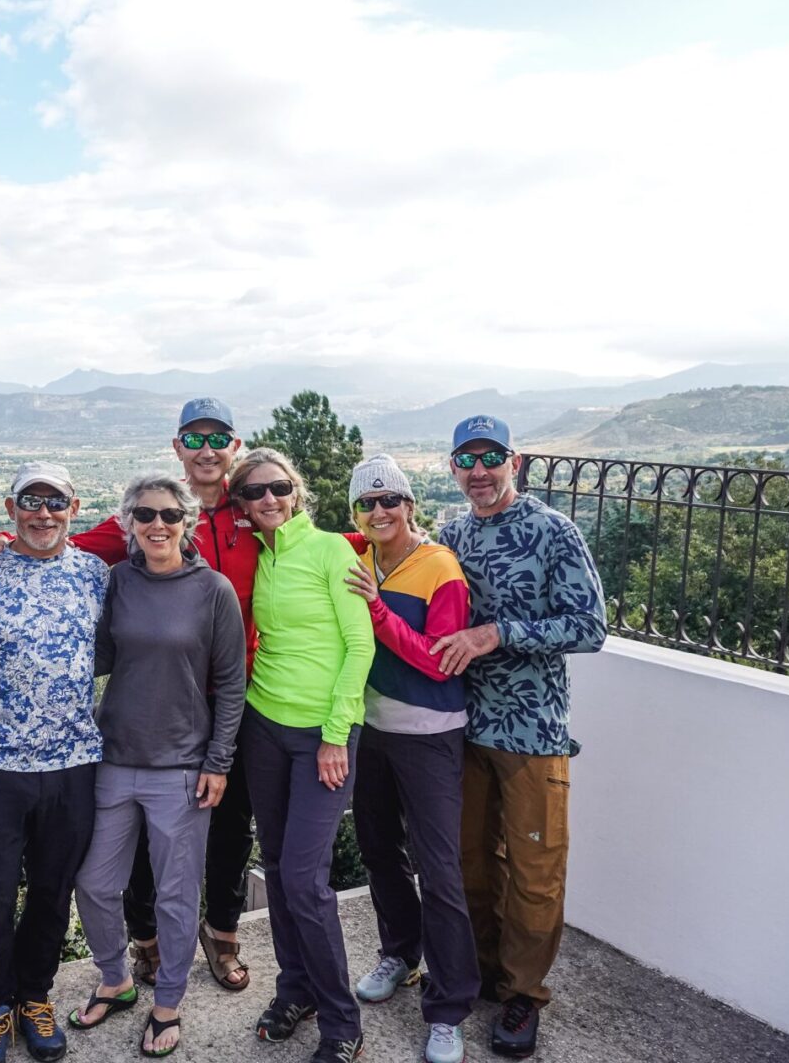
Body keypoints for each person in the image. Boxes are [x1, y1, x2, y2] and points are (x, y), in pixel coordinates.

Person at [0, 396, 260, 992]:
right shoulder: (125, 555)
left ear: (234, 446)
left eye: (217, 439)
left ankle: (221, 938)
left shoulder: (259, 508)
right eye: (193, 439)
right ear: (178, 447)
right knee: (120, 870)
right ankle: (140, 952)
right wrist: (0, 538)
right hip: (133, 730)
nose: (158, 524)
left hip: (232, 711)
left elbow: (330, 545)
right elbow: (60, 543)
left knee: (231, 834)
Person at [430, 415, 605, 1059]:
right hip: (460, 723)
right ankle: (481, 971)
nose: (478, 471)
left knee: (535, 868)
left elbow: (589, 626)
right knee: (468, 859)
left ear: (515, 461)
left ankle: (524, 995)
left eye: (490, 457)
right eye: (465, 460)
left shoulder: (553, 532)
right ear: (453, 468)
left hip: (533, 729)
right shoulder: (450, 535)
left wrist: (498, 634)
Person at [69, 473, 247, 1057]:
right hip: (115, 758)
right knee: (95, 884)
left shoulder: (212, 589)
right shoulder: (118, 581)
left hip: (182, 767)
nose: (158, 525)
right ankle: (117, 980)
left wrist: (218, 761)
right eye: (145, 515)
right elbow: (93, 655)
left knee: (174, 894)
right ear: (129, 524)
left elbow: (229, 681)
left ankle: (167, 1001)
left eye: (170, 515)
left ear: (186, 521)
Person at [0, 462, 110, 1063]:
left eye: (55, 503)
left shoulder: (95, 575)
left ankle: (34, 996)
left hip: (75, 761)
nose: (43, 514)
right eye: (31, 502)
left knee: (52, 888)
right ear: (10, 508)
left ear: (73, 508)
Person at [230, 447, 375, 1063]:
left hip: (324, 734)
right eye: (255, 492)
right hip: (265, 727)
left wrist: (337, 733)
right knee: (281, 867)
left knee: (304, 879)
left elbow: (359, 644)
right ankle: (296, 990)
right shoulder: (259, 557)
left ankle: (342, 1022)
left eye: (278, 488)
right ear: (242, 504)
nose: (268, 499)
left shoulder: (330, 550)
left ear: (296, 491)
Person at [340, 455, 476, 1063]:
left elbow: (438, 658)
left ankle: (449, 1009)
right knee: (379, 851)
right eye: (366, 504)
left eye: (389, 500)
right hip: (374, 729)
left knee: (439, 870)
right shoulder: (360, 558)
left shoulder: (439, 567)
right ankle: (400, 950)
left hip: (430, 734)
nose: (379, 512)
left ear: (410, 505)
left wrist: (375, 609)